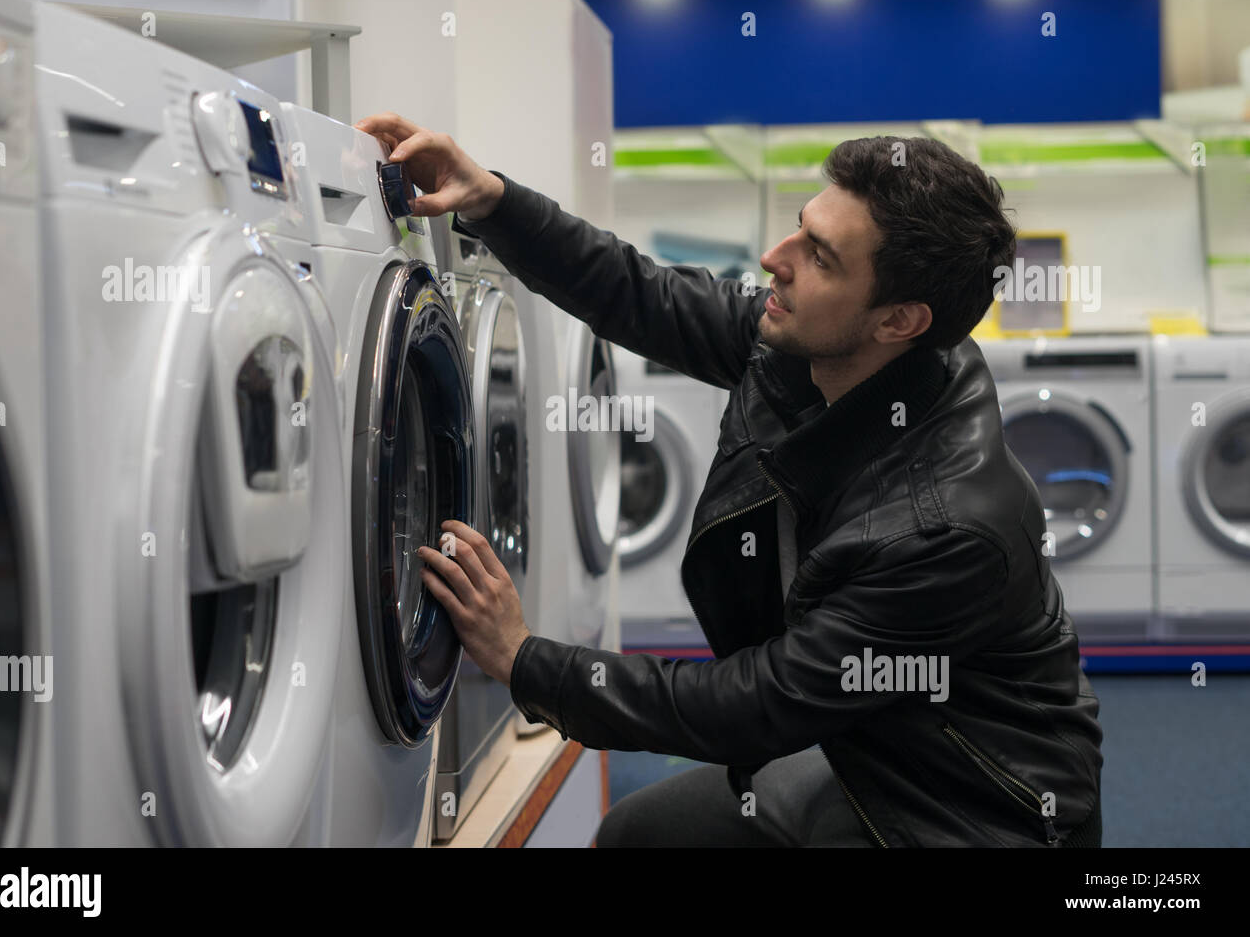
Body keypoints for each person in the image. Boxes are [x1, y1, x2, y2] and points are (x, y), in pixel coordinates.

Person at [356, 113, 1104, 848]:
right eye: (799, 225)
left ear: (899, 319)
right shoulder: (823, 349)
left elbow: (756, 705)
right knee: (635, 834)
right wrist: (488, 197)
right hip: (866, 746)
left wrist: (525, 659)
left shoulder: (947, 528)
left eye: (820, 254)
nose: (775, 257)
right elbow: (642, 295)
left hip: (966, 810)